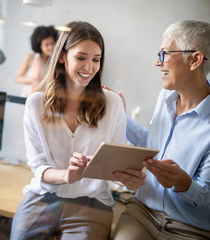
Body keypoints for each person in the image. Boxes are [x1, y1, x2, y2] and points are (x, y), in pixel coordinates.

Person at [111, 20, 210, 240]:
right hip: (143, 211)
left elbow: (207, 194)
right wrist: (119, 117)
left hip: (191, 226)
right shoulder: (165, 97)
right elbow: (154, 147)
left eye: (164, 53)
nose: (157, 62)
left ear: (195, 60)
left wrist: (182, 181)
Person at [10, 21, 141, 240]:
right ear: (62, 56)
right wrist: (66, 176)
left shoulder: (113, 103)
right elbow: (39, 166)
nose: (89, 67)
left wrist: (127, 178)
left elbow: (116, 169)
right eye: (81, 57)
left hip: (92, 203)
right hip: (44, 196)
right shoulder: (35, 103)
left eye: (96, 60)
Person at [15, 25, 59, 96]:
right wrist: (32, 81)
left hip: (45, 97)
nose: (51, 47)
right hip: (28, 96)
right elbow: (17, 78)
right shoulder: (30, 58)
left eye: (52, 43)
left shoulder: (54, 61)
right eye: (46, 45)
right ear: (39, 45)